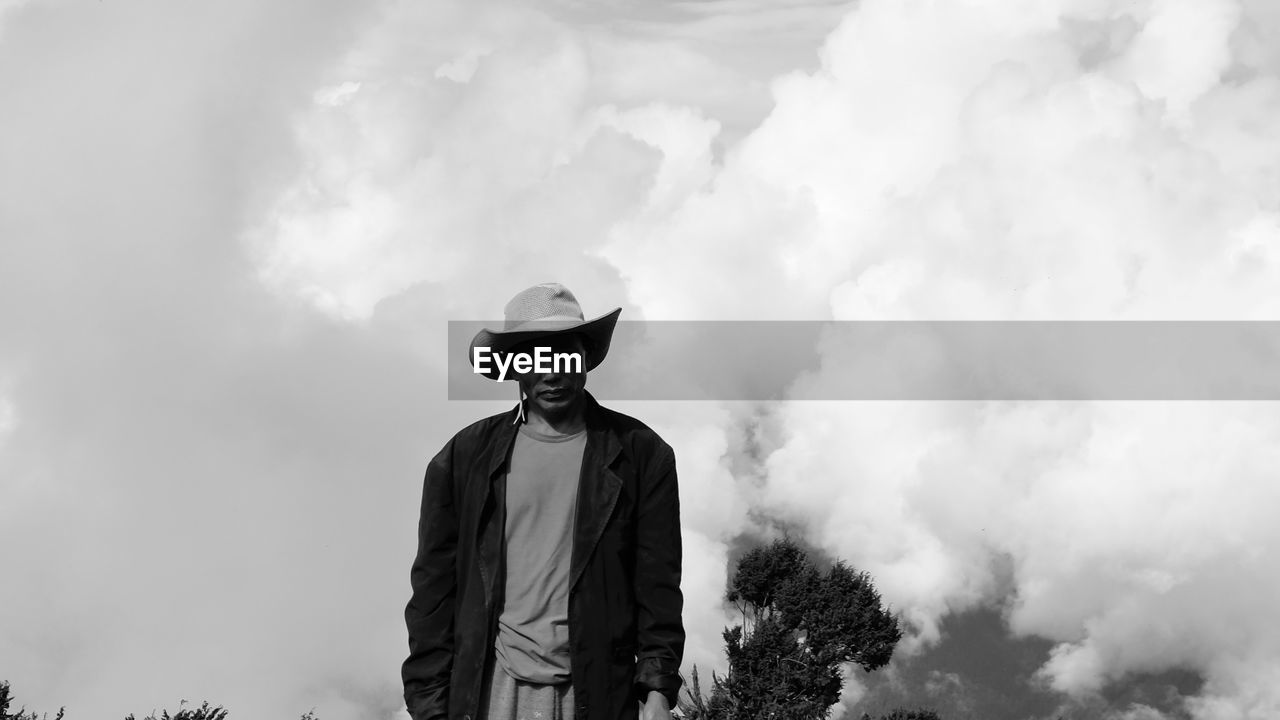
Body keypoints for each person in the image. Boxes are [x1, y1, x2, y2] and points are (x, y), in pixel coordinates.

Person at [403, 283, 685, 720]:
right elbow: (433, 590)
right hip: (489, 686)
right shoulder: (465, 457)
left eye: (564, 355)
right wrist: (428, 702)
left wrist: (658, 690)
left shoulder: (641, 454)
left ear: (585, 360)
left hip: (597, 691)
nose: (551, 372)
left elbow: (658, 584)